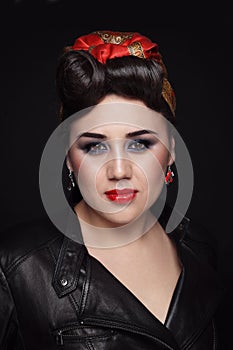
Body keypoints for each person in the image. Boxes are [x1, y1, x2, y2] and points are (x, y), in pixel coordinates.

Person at [0, 30, 230, 349]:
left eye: (139, 143)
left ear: (172, 150)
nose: (119, 170)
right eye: (95, 147)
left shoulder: (200, 247)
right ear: (68, 157)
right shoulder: (15, 267)